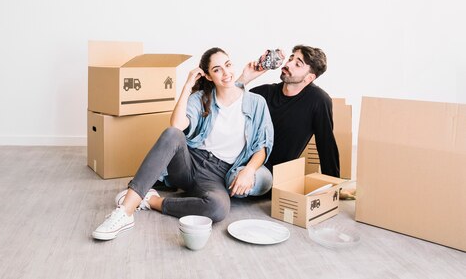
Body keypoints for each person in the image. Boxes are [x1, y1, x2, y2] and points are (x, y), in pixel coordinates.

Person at [92, 47, 274, 241]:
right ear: (209, 76)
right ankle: (124, 212)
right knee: (172, 134)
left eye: (228, 65)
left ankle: (150, 200)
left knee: (218, 208)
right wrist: (187, 86)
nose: (225, 72)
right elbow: (177, 125)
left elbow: (261, 146)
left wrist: (248, 170)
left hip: (218, 176)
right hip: (188, 164)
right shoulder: (201, 98)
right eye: (217, 69)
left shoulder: (256, 103)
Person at [238, 44, 340, 178]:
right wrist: (245, 78)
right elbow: (224, 106)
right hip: (239, 159)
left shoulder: (318, 100)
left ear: (309, 78)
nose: (289, 64)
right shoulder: (264, 93)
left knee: (236, 179)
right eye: (291, 59)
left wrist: (334, 186)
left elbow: (326, 144)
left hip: (269, 172)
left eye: (298, 64)